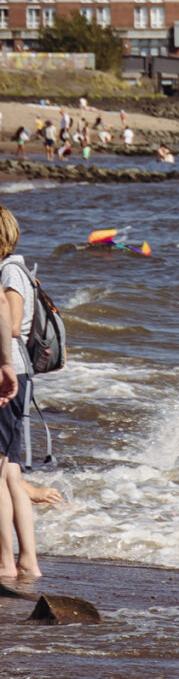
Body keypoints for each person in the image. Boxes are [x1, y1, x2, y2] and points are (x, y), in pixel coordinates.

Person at [0, 208, 43, 582]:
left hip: (8, 370)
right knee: (10, 472)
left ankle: (6, 563)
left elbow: (12, 326)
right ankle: (27, 561)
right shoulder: (19, 269)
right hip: (16, 370)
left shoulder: (10, 272)